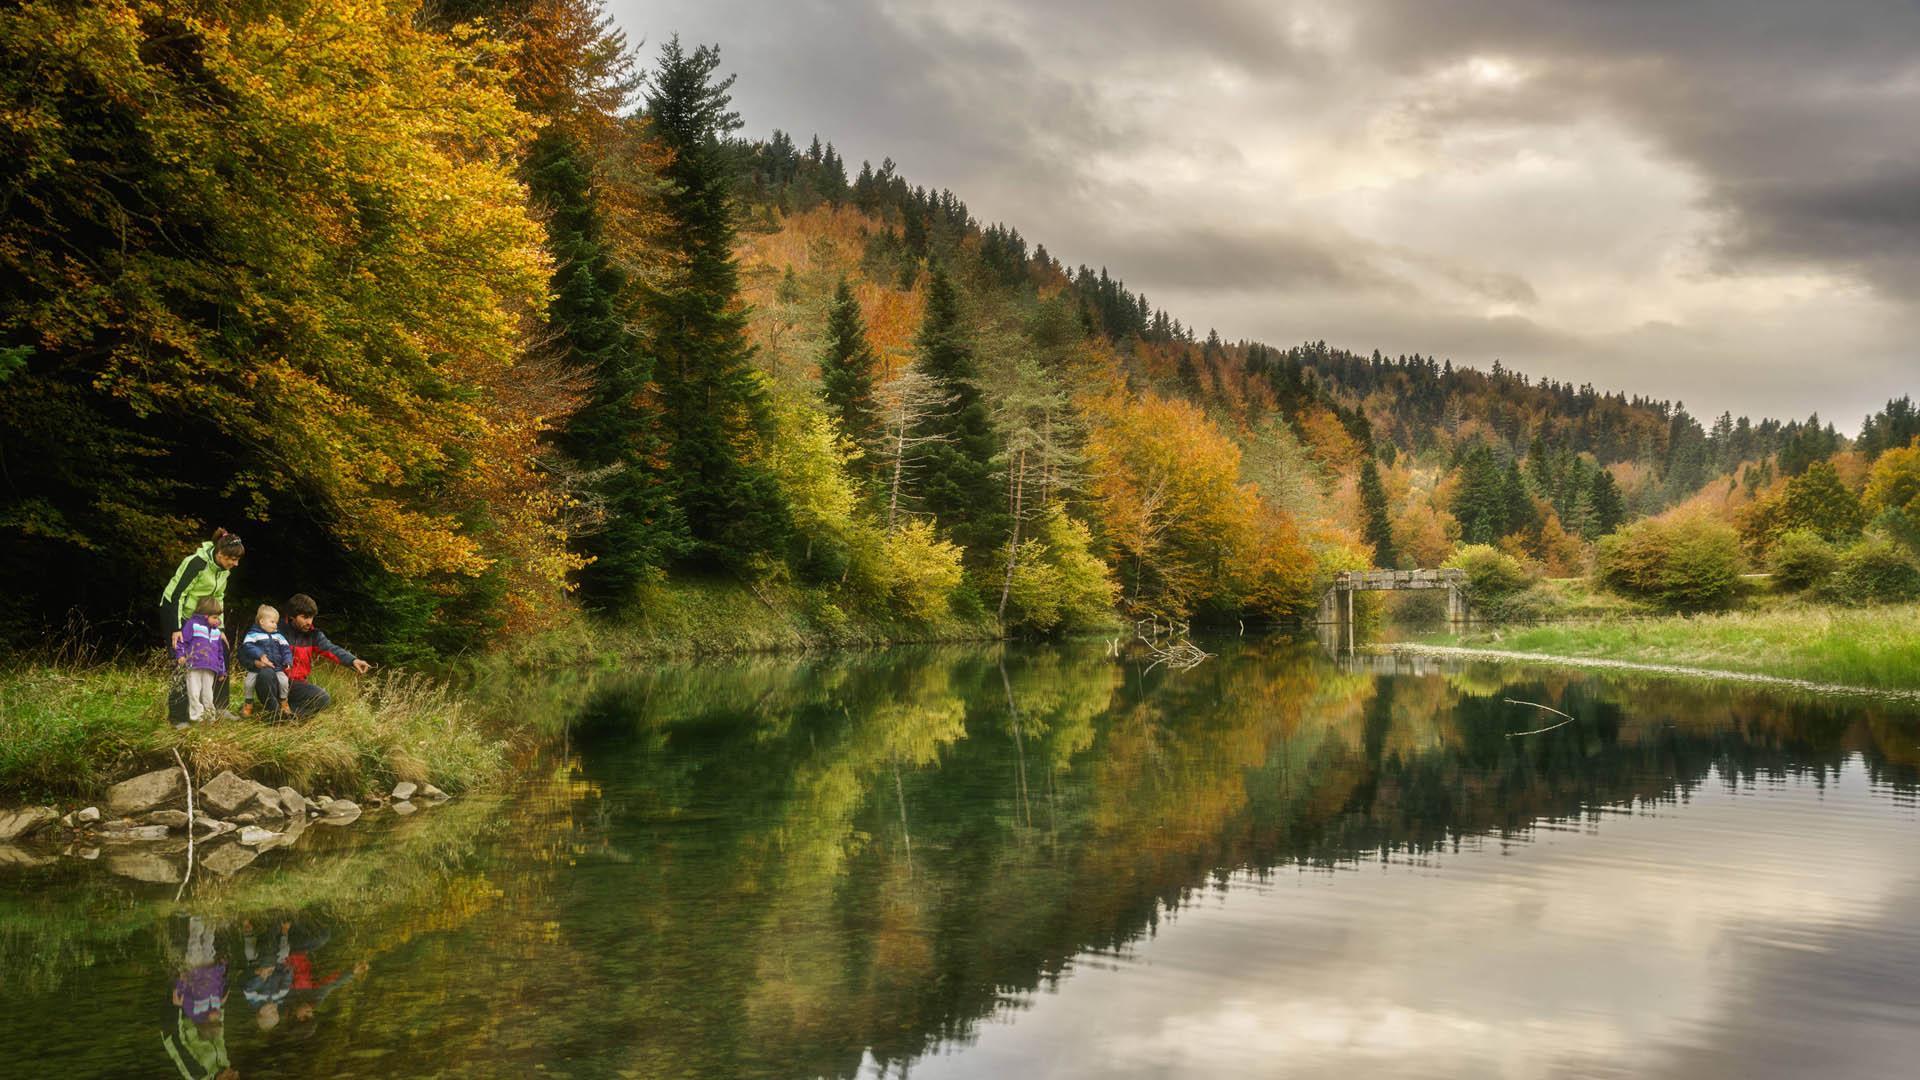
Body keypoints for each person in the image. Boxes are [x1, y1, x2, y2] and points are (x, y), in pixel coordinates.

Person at [160, 528, 244, 726]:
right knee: (182, 659)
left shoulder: (224, 570)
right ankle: (178, 718)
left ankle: (219, 707)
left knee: (221, 650)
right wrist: (177, 627)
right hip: (177, 612)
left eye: (237, 560)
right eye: (233, 559)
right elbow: (176, 595)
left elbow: (218, 597)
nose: (235, 564)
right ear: (220, 554)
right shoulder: (196, 563)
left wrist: (220, 629)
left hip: (204, 617)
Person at [277, 593, 371, 718]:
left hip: (296, 685)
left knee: (323, 698)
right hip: (276, 680)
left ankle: (286, 715)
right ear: (292, 616)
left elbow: (331, 649)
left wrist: (353, 660)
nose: (309, 622)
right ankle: (276, 710)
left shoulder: (313, 635)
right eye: (304, 617)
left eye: (311, 617)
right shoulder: (277, 630)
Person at [172, 597, 230, 728]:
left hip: (210, 668)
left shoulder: (216, 632)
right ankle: (197, 718)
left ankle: (210, 717)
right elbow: (182, 641)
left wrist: (222, 670)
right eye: (215, 617)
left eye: (218, 618)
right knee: (194, 692)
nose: (218, 621)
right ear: (205, 616)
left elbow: (220, 653)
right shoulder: (193, 625)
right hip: (193, 666)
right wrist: (180, 655)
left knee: (208, 693)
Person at [237, 606, 293, 720]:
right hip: (257, 668)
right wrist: (260, 655)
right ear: (262, 622)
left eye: (276, 622)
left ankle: (283, 702)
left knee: (284, 681)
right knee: (248, 683)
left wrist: (287, 661)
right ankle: (248, 704)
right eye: (272, 622)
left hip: (277, 667)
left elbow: (286, 649)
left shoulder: (279, 636)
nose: (275, 625)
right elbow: (248, 646)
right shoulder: (253, 634)